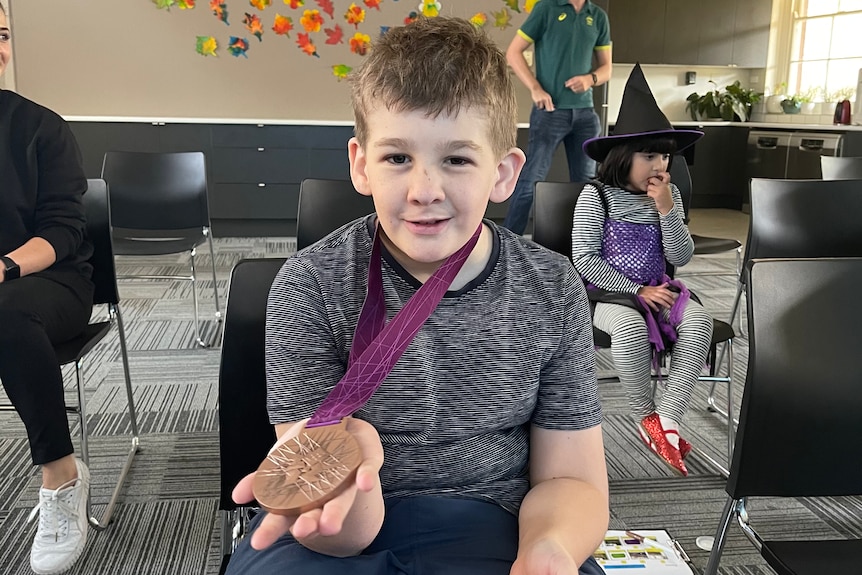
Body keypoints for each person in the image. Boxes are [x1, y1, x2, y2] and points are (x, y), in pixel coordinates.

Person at [228, 16, 608, 575]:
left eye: (456, 159)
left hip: (502, 520)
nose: (424, 191)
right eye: (397, 157)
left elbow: (570, 478)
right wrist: (354, 468)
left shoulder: (551, 287)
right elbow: (335, 532)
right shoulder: (312, 284)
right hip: (348, 530)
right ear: (361, 165)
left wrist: (548, 550)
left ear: (503, 174)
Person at [572, 64, 712, 477]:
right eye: (649, 155)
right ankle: (645, 416)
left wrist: (668, 210)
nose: (659, 164)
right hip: (607, 295)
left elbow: (682, 256)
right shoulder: (596, 196)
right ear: (622, 156)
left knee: (700, 321)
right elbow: (584, 260)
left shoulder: (668, 198)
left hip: (661, 289)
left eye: (665, 155)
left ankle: (667, 419)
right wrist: (636, 291)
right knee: (630, 329)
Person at [0, 3, 96, 574]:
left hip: (48, 282)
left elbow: (62, 232)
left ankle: (61, 476)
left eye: (2, 34)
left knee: (3, 314)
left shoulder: (39, 126)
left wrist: (5, 267)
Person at [503, 0, 612, 236]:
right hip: (550, 113)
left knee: (587, 188)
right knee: (531, 181)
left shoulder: (598, 17)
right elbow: (513, 52)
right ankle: (508, 242)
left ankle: (583, 245)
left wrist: (590, 79)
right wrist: (535, 88)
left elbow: (607, 69)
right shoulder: (546, 8)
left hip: (585, 115)